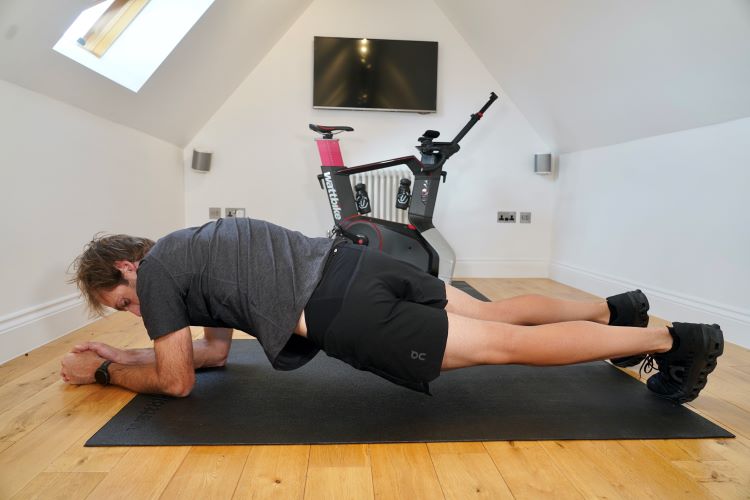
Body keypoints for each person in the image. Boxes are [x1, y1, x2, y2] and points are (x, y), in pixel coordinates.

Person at [61, 217, 723, 404]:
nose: (136, 312)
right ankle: (620, 315)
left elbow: (175, 381)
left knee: (500, 349)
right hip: (358, 263)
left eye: (125, 303)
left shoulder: (163, 279)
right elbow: (204, 355)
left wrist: (101, 373)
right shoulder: (197, 250)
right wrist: (129, 354)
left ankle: (672, 339)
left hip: (340, 304)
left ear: (128, 269)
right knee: (494, 320)